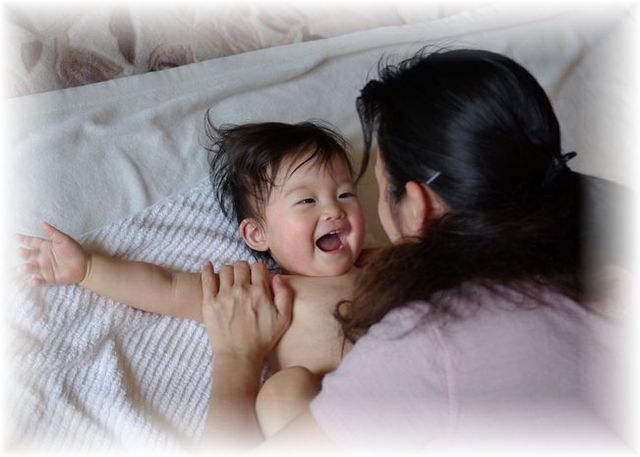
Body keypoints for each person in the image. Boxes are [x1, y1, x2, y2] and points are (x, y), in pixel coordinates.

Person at [200, 48, 616, 452]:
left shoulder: (430, 341)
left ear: (419, 206)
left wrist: (235, 357)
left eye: (360, 191)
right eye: (307, 200)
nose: (336, 211)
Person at [16, 120, 366, 437]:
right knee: (282, 392)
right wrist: (89, 269)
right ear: (258, 235)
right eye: (307, 201)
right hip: (344, 419)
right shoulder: (262, 294)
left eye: (345, 194)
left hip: (394, 380)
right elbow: (167, 288)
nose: (333, 210)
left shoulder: (380, 265)